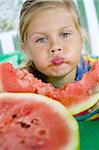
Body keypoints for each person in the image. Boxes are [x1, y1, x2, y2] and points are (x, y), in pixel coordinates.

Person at [19, 0, 99, 120]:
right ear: (26, 50)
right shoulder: (21, 84)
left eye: (65, 34)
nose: (55, 47)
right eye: (41, 39)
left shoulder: (95, 69)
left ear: (81, 38)